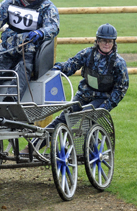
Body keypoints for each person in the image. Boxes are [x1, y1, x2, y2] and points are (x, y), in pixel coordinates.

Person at [20, 23, 129, 154]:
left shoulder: (119, 63)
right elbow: (72, 64)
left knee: (86, 114)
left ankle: (78, 147)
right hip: (84, 95)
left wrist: (108, 105)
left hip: (102, 99)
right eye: (104, 41)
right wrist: (58, 69)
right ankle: (32, 147)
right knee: (63, 117)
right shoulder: (88, 53)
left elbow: (121, 88)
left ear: (114, 42)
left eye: (110, 41)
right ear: (97, 41)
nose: (107, 44)